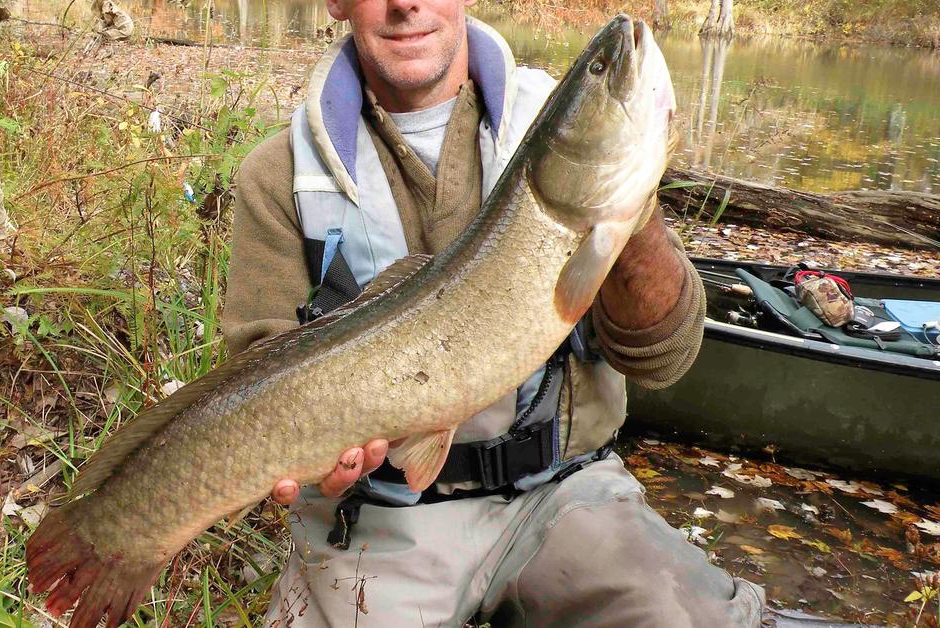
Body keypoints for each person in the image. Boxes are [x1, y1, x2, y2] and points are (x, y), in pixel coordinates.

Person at [221, 0, 765, 625]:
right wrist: (310, 460)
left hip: (563, 494)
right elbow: (259, 376)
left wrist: (629, 212)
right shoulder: (277, 174)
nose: (406, 4)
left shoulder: (550, 124)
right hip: (375, 518)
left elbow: (665, 358)